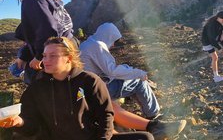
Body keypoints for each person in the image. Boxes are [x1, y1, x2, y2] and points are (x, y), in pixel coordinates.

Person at [0, 36, 153, 140]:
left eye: (53, 56)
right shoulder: (37, 88)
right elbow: (31, 127)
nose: (45, 60)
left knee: (145, 137)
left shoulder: (89, 81)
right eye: (45, 56)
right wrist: (19, 122)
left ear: (69, 58)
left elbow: (106, 117)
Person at [0, 0, 75, 84]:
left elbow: (48, 29)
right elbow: (34, 28)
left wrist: (39, 57)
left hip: (56, 54)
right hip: (66, 49)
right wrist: (24, 56)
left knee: (45, 95)